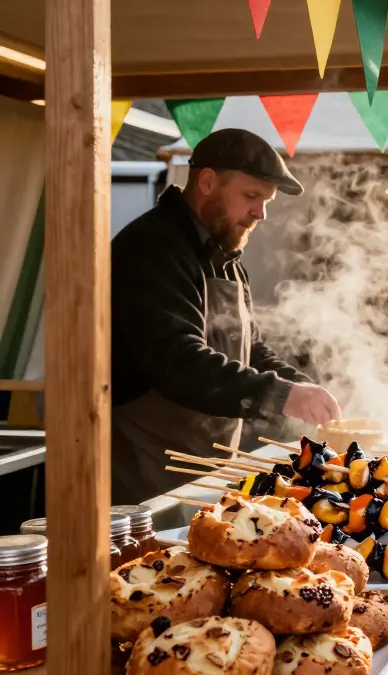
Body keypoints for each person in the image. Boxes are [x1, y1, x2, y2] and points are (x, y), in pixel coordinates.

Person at [110, 129, 342, 504]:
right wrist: (280, 395)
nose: (260, 214)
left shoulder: (226, 258)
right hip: (144, 474)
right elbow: (178, 361)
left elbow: (251, 351)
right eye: (251, 197)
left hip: (207, 469)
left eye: (266, 201)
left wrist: (303, 389)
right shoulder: (152, 249)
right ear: (207, 180)